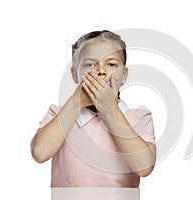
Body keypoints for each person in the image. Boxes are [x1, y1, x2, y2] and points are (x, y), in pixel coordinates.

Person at [31, 30, 156, 191]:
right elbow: (40, 153)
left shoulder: (138, 117)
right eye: (90, 64)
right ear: (74, 74)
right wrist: (76, 102)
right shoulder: (59, 114)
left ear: (124, 75)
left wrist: (110, 110)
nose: (101, 71)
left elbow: (145, 167)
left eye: (111, 64)